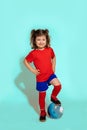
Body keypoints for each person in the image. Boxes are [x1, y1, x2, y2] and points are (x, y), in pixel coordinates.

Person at [24, 29, 62, 122]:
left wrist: (53, 66)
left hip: (50, 74)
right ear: (34, 41)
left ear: (47, 40)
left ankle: (53, 97)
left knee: (58, 85)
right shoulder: (33, 53)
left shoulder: (49, 49)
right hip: (41, 78)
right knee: (42, 96)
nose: (41, 42)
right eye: (38, 40)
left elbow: (53, 57)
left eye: (43, 39)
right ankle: (42, 112)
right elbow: (25, 61)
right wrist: (33, 70)